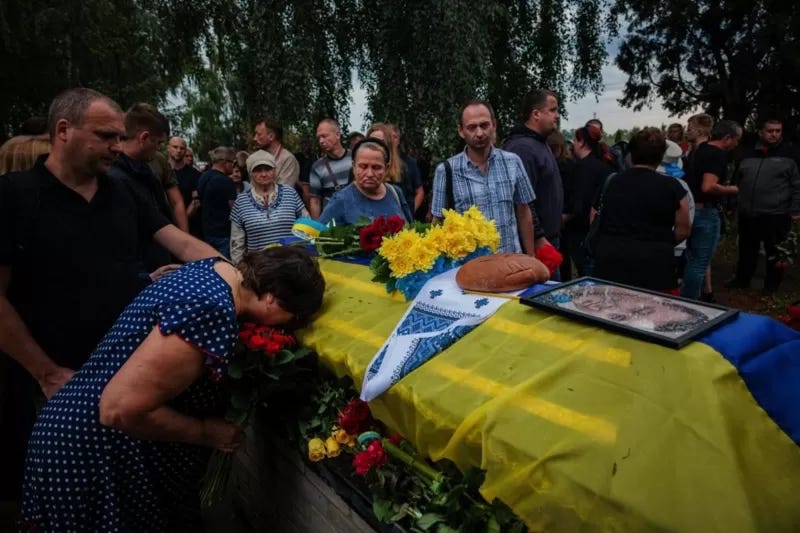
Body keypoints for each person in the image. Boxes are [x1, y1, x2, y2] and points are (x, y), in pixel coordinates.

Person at [0, 88, 219, 503]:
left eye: (120, 137)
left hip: (128, 380)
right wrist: (45, 372)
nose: (118, 147)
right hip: (53, 386)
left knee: (132, 498)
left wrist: (233, 278)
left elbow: (180, 242)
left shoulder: (122, 190)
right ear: (64, 130)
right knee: (70, 502)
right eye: (107, 136)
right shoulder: (14, 196)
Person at [20, 247, 325, 531]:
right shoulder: (211, 310)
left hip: (77, 434)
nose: (288, 328)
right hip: (95, 457)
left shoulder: (216, 271)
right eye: (293, 319)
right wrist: (206, 431)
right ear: (273, 298)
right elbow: (120, 409)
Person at [591, 128, 691, 292]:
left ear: (631, 153)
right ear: (660, 156)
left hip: (611, 262)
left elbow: (594, 217)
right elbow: (684, 229)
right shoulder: (674, 187)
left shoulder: (611, 182)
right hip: (655, 265)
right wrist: (662, 242)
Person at [432, 100, 536, 254]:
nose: (479, 133)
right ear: (461, 131)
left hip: (512, 262)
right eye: (472, 127)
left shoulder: (513, 162)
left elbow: (523, 210)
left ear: (494, 125)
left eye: (484, 125)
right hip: (470, 268)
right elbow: (437, 222)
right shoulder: (446, 171)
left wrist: (531, 257)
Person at [727, 118, 800, 293]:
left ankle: (771, 287)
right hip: (748, 212)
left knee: (775, 252)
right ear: (761, 131)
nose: (774, 134)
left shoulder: (790, 154)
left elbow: (797, 185)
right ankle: (742, 280)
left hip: (776, 213)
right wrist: (731, 203)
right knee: (746, 250)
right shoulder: (747, 153)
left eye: (778, 131)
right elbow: (736, 180)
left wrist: (796, 210)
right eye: (770, 130)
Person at [109, 103, 181, 270]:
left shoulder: (145, 172)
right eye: (158, 143)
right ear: (143, 137)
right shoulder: (115, 178)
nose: (158, 149)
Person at [680, 120, 741, 299]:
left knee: (691, 260)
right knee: (699, 263)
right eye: (737, 140)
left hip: (690, 210)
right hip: (705, 212)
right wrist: (733, 189)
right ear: (728, 138)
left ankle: (691, 297)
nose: (737, 144)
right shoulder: (717, 154)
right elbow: (708, 186)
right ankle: (689, 302)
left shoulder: (699, 150)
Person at [503, 89, 562, 254]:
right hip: (538, 243)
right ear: (536, 114)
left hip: (549, 237)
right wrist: (538, 237)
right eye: (552, 110)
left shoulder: (539, 143)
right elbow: (522, 200)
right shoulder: (522, 148)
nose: (557, 115)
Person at [230, 150, 308, 264]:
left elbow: (307, 226)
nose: (264, 174)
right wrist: (240, 269)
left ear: (275, 170)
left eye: (268, 169)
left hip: (292, 266)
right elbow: (236, 244)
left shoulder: (290, 193)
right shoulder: (241, 202)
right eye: (258, 170)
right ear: (250, 173)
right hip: (259, 269)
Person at [562, 124, 616, 278]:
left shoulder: (581, 168)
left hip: (582, 231)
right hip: (603, 230)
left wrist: (564, 217)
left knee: (586, 274)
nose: (573, 145)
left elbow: (579, 203)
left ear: (582, 142)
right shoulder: (606, 165)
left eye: (575, 140)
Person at [319, 138, 413, 225]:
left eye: (376, 167)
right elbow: (319, 236)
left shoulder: (395, 193)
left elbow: (410, 230)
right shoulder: (340, 201)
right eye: (363, 167)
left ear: (386, 168)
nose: (370, 174)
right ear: (354, 166)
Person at [366, 123, 424, 215]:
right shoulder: (357, 170)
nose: (376, 145)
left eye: (381, 141)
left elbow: (409, 199)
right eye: (372, 141)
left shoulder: (402, 168)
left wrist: (408, 218)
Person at [197, 146, 238, 257]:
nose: (234, 167)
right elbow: (234, 209)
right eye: (233, 163)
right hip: (224, 233)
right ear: (224, 162)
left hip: (207, 232)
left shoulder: (203, 177)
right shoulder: (226, 182)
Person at [308, 118, 353, 219]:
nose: (321, 141)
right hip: (332, 223)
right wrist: (317, 228)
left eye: (324, 136)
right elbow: (315, 200)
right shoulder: (317, 167)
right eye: (319, 138)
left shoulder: (356, 158)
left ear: (337, 135)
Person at [168, 136, 202, 236]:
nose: (178, 151)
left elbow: (195, 202)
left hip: (190, 227)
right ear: (168, 148)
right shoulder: (160, 173)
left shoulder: (194, 174)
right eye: (175, 147)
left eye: (182, 148)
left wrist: (181, 222)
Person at [253, 117, 300, 187]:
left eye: (259, 134)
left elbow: (283, 193)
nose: (254, 138)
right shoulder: (257, 159)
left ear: (271, 136)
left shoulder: (287, 159)